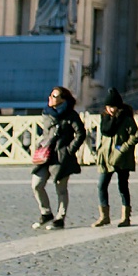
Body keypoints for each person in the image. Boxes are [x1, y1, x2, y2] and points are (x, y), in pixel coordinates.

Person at [32, 86, 86, 229]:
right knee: (37, 184)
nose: (50, 98)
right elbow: (45, 133)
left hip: (61, 156)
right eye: (50, 95)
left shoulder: (71, 114)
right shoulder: (46, 113)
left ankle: (60, 217)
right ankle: (46, 212)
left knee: (60, 188)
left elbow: (80, 133)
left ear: (63, 99)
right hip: (46, 155)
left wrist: (69, 150)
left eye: (54, 96)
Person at [93, 89, 137, 228]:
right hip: (106, 157)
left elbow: (135, 136)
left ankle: (126, 217)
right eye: (109, 107)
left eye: (113, 107)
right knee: (101, 185)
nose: (111, 110)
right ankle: (104, 216)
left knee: (123, 186)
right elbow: (104, 135)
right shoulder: (105, 119)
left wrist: (122, 148)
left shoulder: (126, 118)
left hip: (121, 158)